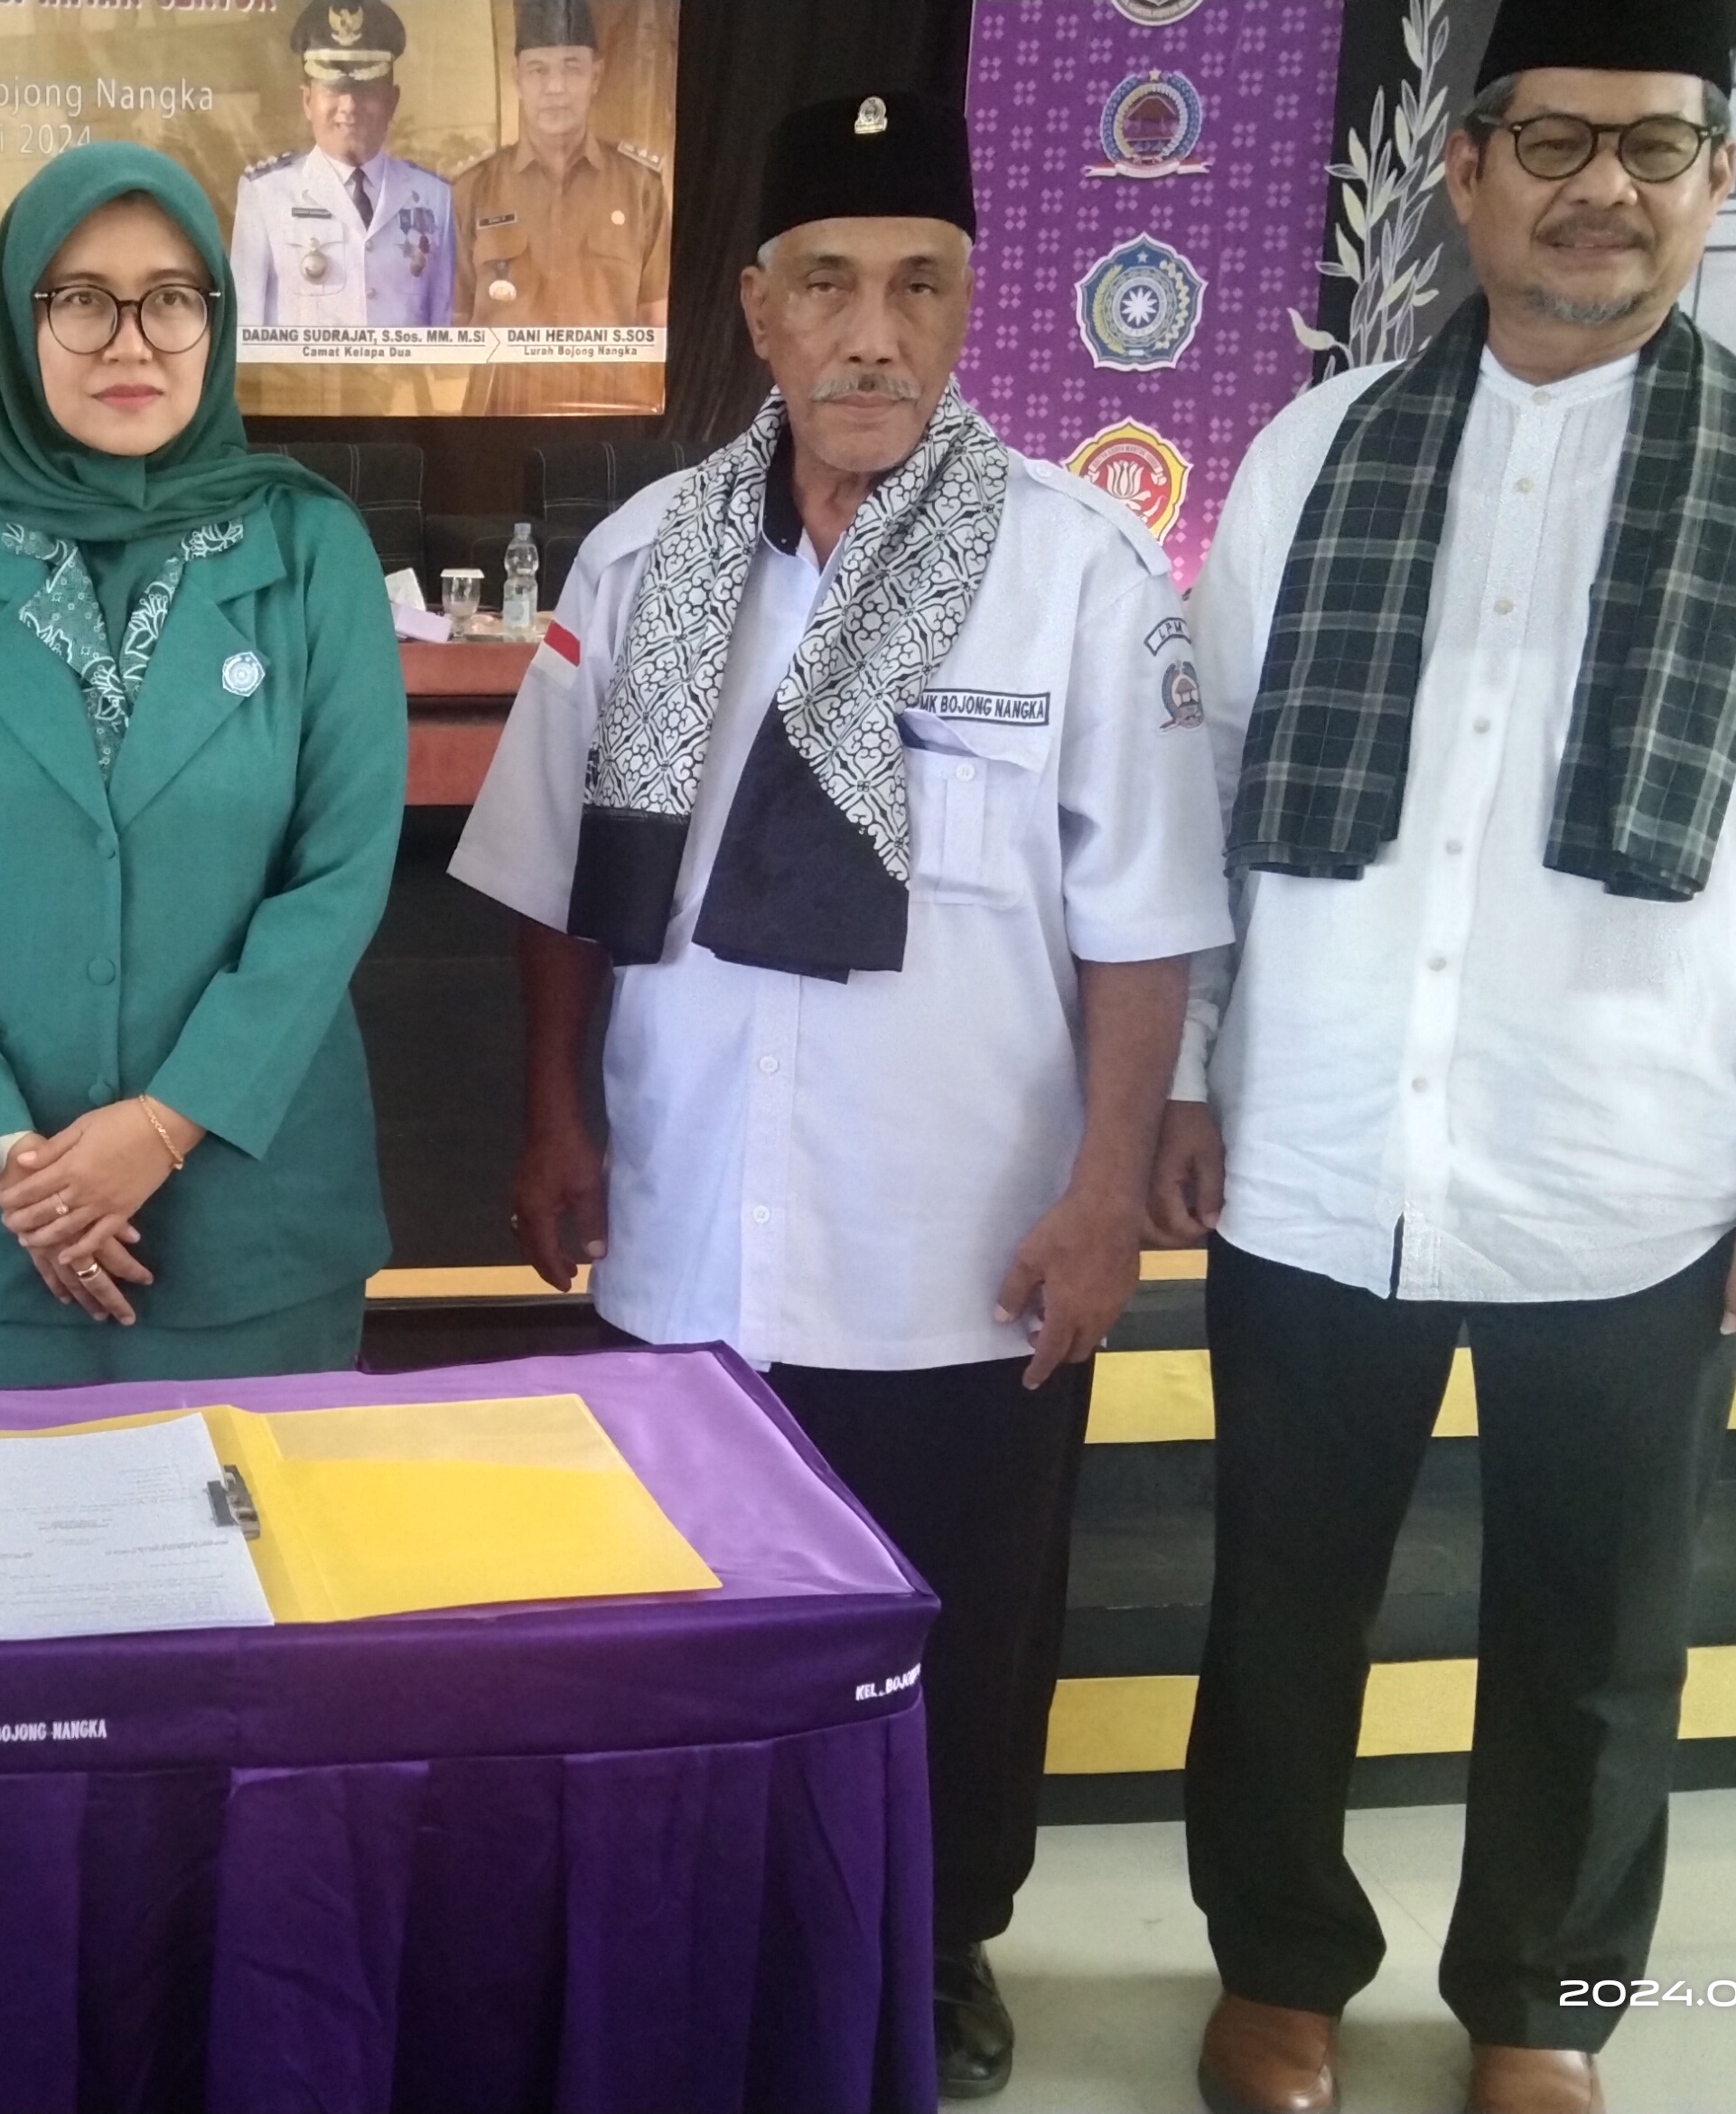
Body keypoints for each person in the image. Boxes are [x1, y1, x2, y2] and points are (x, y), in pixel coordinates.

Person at [1153, 5, 1736, 2110]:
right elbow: (1207, 793)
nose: (1605, 190)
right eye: (1560, 143)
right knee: (1281, 1602)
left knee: (1594, 1632)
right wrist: (1193, 1068)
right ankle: (1278, 1964)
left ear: (1715, 184)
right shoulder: (1316, 451)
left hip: (1635, 1168)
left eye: (1655, 150)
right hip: (1319, 1148)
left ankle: (1541, 2004)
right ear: (1467, 167)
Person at [451, 89, 1232, 2102]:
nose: (871, 334)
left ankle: (943, 1942)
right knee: (685, 1615)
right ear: (757, 311)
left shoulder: (1076, 571)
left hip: (958, 1236)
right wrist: (555, 1119)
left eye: (917, 286)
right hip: (692, 1217)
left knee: (962, 1622)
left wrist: (1103, 1191)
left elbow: (1144, 919)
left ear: (968, 305)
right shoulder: (643, 561)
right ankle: (692, 1918)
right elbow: (551, 880)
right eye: (827, 285)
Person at [0, 142, 404, 1387]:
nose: (129, 342)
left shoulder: (312, 553)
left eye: (170, 298)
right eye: (81, 299)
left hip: (252, 1224)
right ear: (18, 318)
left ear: (218, 317)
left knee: (262, 1515)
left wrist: (159, 1127)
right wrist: (17, 1170)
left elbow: (340, 874)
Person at [450, 0, 669, 413]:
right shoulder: (473, 189)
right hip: (501, 414)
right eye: (538, 70)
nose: (555, 88)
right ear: (517, 78)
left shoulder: (640, 187)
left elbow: (656, 323)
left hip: (611, 411)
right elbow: (455, 322)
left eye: (571, 68)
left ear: (596, 77)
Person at [229, 0, 457, 330]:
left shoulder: (435, 197)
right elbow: (244, 332)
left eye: (365, 89)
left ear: (392, 101)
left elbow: (446, 330)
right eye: (334, 89)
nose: (349, 106)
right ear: (308, 101)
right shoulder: (266, 194)